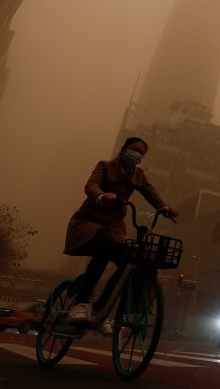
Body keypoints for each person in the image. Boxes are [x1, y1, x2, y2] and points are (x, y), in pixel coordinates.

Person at [64, 136, 179, 329]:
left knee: (130, 261)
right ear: (123, 149)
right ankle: (81, 304)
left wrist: (165, 207)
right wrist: (101, 195)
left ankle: (100, 308)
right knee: (106, 244)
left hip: (114, 227)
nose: (137, 154)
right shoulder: (105, 166)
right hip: (89, 221)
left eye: (141, 153)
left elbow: (151, 192)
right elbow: (91, 185)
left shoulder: (139, 175)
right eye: (134, 149)